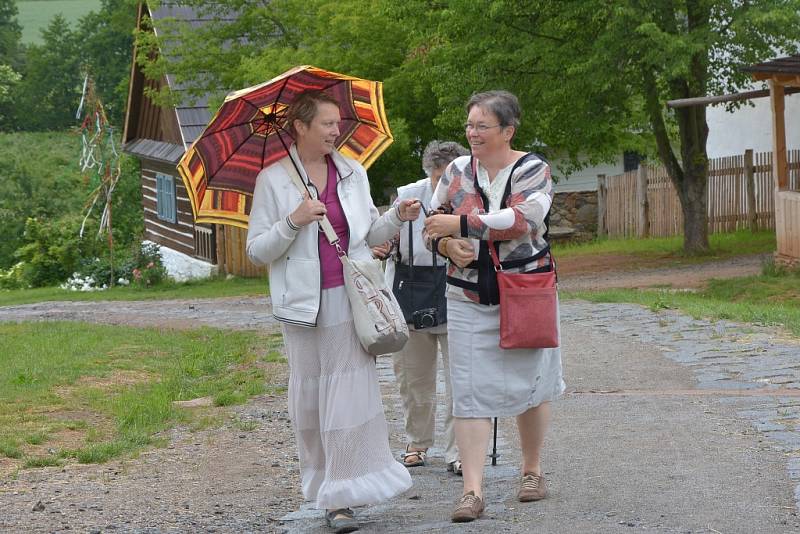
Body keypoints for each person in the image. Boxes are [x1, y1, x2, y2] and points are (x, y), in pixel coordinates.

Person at [246, 90, 417, 533]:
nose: (334, 131)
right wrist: (294, 220)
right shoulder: (273, 180)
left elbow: (365, 235)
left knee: (348, 398)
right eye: (325, 124)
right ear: (299, 127)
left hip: (349, 299)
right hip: (301, 309)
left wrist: (397, 216)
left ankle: (344, 496)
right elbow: (257, 251)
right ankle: (323, 486)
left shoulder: (353, 172)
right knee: (310, 402)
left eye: (336, 123)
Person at [423, 90, 565, 523]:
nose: (472, 133)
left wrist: (461, 225)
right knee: (466, 389)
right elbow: (432, 225)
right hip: (467, 294)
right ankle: (472, 491)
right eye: (469, 126)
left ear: (508, 130)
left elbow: (523, 220)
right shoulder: (456, 170)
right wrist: (448, 244)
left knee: (532, 381)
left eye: (482, 126)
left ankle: (532, 470)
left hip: (526, 291)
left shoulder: (533, 169)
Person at [373, 140, 469, 475]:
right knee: (412, 375)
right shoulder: (408, 195)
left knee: (461, 376)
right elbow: (384, 234)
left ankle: (460, 450)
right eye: (437, 176)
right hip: (410, 286)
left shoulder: (473, 196)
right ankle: (417, 441)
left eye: (449, 177)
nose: (442, 184)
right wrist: (388, 240)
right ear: (428, 172)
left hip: (456, 287)